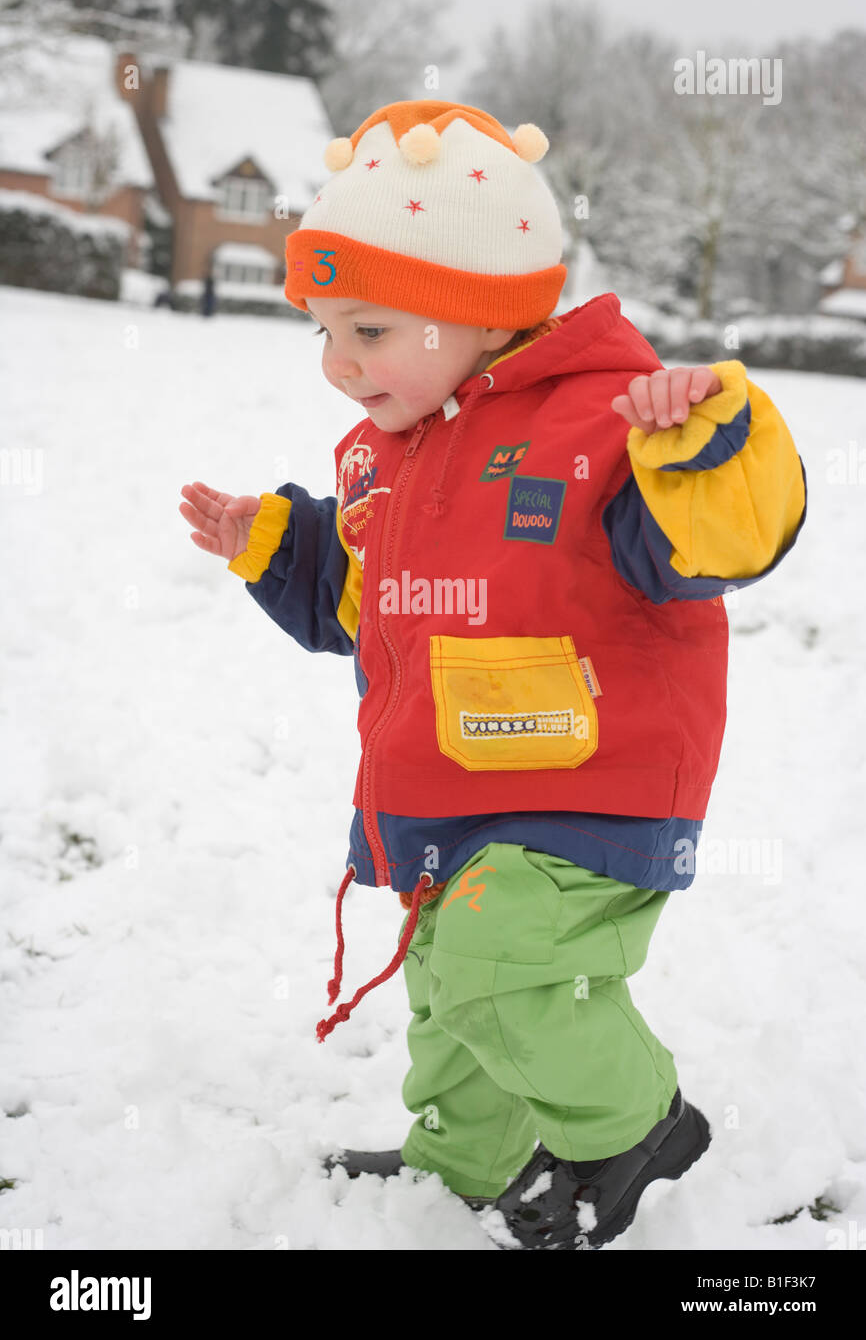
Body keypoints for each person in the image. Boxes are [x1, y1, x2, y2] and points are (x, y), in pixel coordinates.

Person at [178, 99, 807, 1250]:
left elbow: (714, 545)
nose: (338, 364)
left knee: (499, 965)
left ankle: (634, 1125)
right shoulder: (388, 455)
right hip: (447, 783)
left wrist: (702, 446)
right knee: (440, 980)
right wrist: (275, 542)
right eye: (320, 332)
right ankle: (465, 1155)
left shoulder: (604, 425)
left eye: (366, 328)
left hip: (588, 778)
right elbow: (362, 608)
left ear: (472, 311)